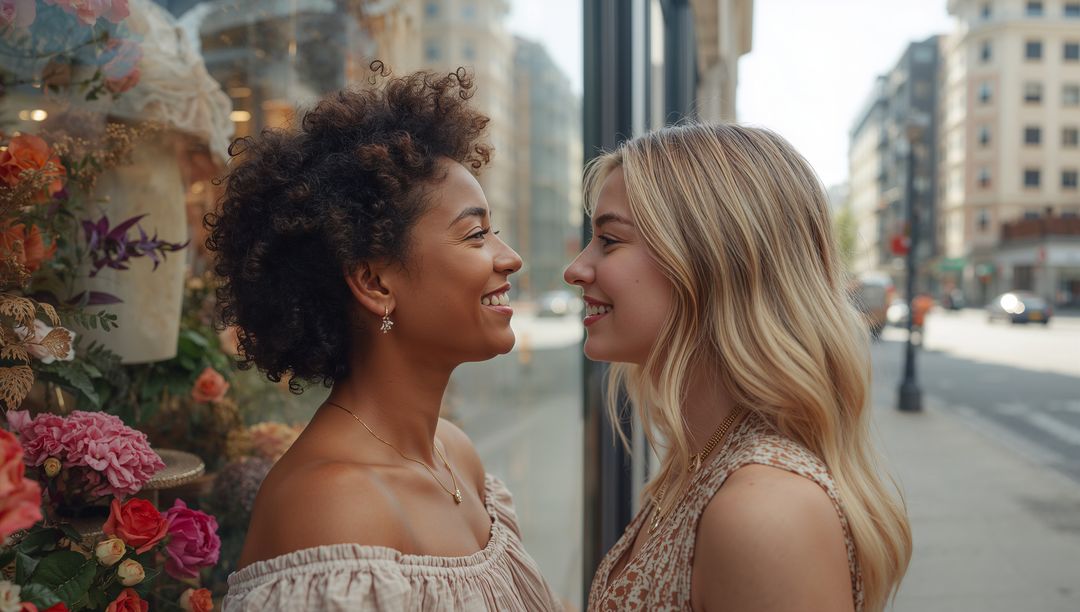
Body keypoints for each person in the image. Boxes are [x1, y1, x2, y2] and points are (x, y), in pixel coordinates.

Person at [207, 64, 560, 611]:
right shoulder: (333, 507)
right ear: (374, 282)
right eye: (475, 235)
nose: (509, 257)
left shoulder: (456, 455)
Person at [565, 123, 912, 612]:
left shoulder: (765, 511)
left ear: (709, 260)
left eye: (609, 240)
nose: (576, 268)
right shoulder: (700, 460)